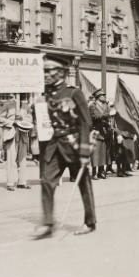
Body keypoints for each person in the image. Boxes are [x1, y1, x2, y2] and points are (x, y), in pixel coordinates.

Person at [34, 59, 96, 240]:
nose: (45, 75)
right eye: (43, 72)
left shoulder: (74, 93)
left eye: (48, 72)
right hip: (53, 147)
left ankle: (90, 222)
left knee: (84, 184)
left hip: (74, 145)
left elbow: (86, 122)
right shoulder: (45, 96)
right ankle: (47, 224)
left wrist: (85, 152)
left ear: (60, 73)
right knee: (47, 181)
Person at [88, 89, 110, 180]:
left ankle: (101, 172)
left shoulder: (106, 105)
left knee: (102, 154)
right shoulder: (92, 105)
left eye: (104, 95)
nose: (104, 97)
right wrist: (106, 116)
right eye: (102, 95)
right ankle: (94, 173)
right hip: (96, 131)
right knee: (95, 154)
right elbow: (95, 117)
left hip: (104, 132)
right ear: (98, 97)